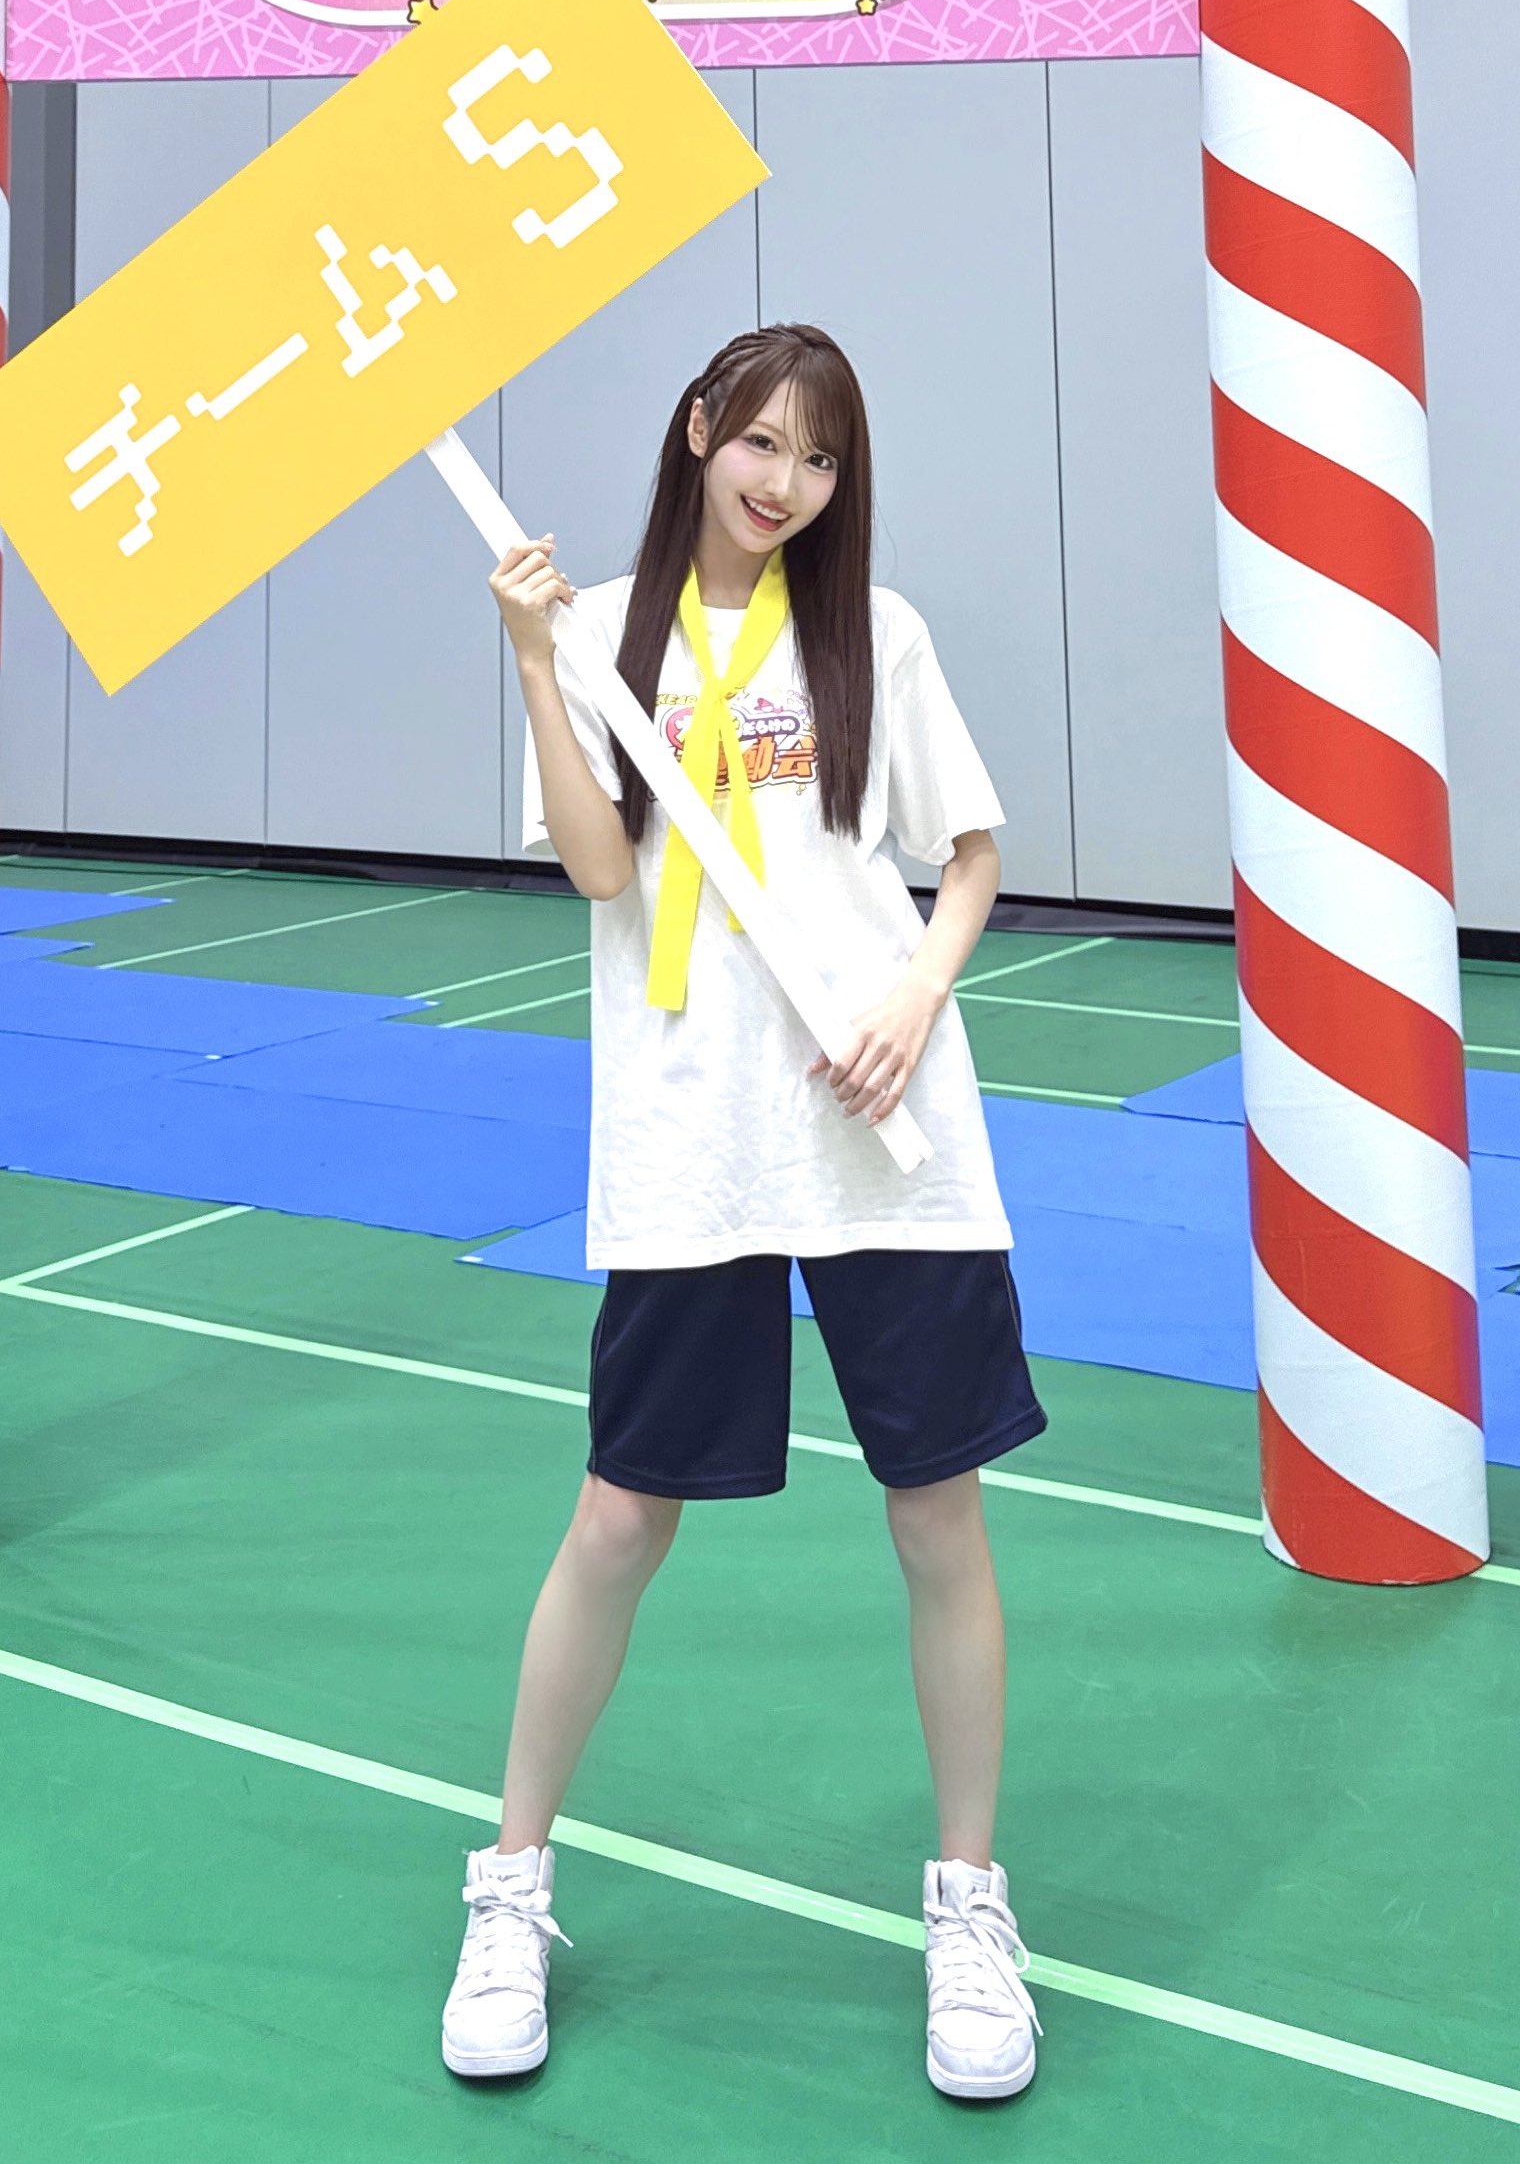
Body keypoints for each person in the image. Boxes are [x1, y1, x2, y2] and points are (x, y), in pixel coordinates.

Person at [440, 322, 1045, 2102]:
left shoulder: (874, 631)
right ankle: (508, 1885)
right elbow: (597, 868)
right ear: (699, 427)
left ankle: (969, 1904)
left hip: (878, 1122)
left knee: (937, 1516)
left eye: (821, 458)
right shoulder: (602, 628)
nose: (786, 482)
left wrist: (913, 997)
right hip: (688, 1129)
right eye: (763, 442)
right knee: (619, 1515)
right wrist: (532, 658)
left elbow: (969, 857)